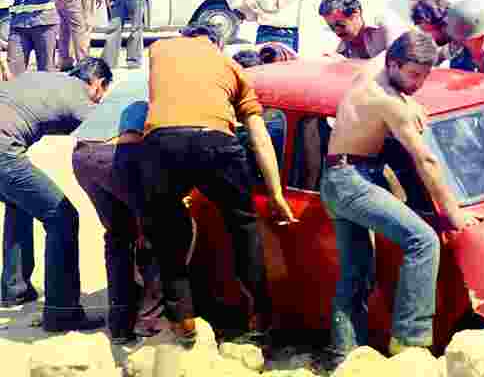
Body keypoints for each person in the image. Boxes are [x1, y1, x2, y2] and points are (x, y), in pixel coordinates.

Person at [317, 31, 477, 369]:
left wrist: (410, 97)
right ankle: (409, 342)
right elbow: (426, 161)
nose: (419, 83)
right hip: (352, 180)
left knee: (356, 273)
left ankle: (342, 357)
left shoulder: (374, 73)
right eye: (413, 76)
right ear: (394, 65)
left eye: (424, 76)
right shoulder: (386, 99)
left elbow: (397, 47)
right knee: (424, 241)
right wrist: (453, 213)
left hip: (337, 176)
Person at [138, 24, 297, 349]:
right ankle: (260, 318)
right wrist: (277, 195)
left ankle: (184, 321)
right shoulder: (232, 67)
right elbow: (259, 136)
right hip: (218, 142)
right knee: (244, 226)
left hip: (163, 141)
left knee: (167, 232)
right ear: (218, 44)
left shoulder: (159, 49)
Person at [0, 57, 112, 331]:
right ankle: (62, 312)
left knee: (20, 202)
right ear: (98, 84)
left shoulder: (44, 78)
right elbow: (108, 135)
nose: (100, 100)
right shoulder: (79, 95)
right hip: (3, 150)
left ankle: (15, 289)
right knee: (63, 216)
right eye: (103, 94)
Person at [70, 66, 161, 345]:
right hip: (117, 154)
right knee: (159, 231)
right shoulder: (168, 84)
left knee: (119, 237)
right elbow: (137, 138)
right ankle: (149, 322)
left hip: (83, 155)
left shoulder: (138, 77)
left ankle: (120, 326)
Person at [319, 0, 400, 60]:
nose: (337, 32)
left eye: (340, 24)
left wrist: (347, 63)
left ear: (356, 13)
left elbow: (393, 63)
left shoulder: (385, 26)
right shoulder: (340, 45)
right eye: (332, 27)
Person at [410, 0, 455, 65]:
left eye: (427, 31)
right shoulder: (453, 46)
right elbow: (440, 56)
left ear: (443, 25)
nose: (428, 37)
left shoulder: (468, 42)